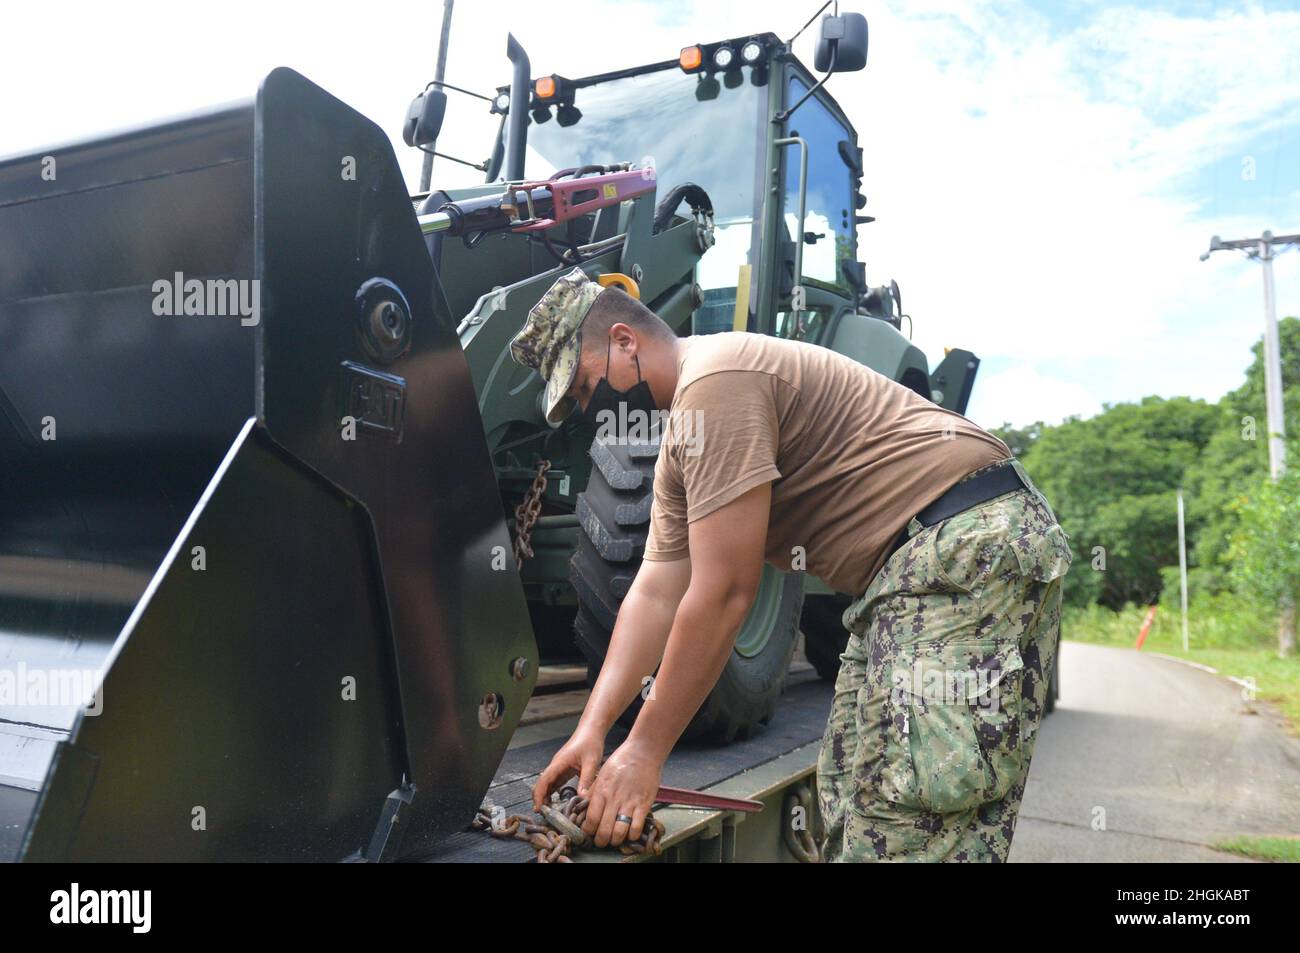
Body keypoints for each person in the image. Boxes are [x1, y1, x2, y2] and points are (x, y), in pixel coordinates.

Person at [511, 266, 1072, 861]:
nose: (587, 406)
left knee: (915, 808)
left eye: (584, 385)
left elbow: (726, 592)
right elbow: (655, 592)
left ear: (625, 341)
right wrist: (591, 731)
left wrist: (646, 751)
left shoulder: (718, 381)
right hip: (905, 572)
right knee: (855, 789)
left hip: (963, 547)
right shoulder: (684, 431)